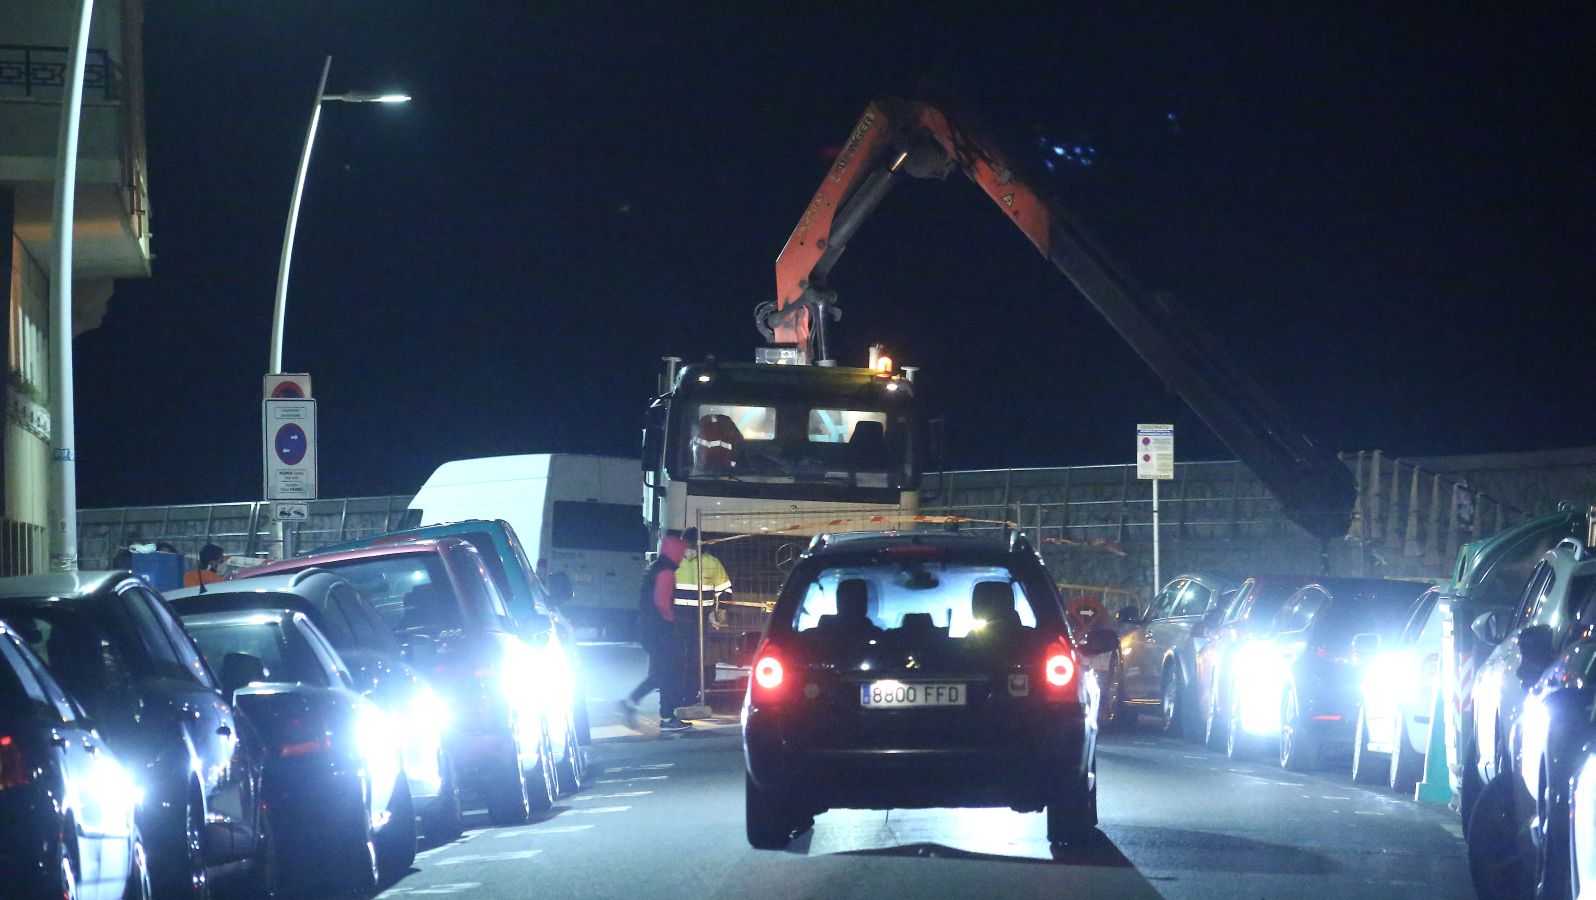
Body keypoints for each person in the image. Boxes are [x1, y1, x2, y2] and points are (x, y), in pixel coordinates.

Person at [620, 531, 693, 732]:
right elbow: (662, 602)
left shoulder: (654, 568)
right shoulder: (666, 572)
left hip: (647, 628)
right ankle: (667, 718)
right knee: (668, 673)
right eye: (682, 551)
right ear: (676, 552)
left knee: (662, 673)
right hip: (660, 629)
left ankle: (635, 703)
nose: (683, 555)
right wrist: (672, 621)